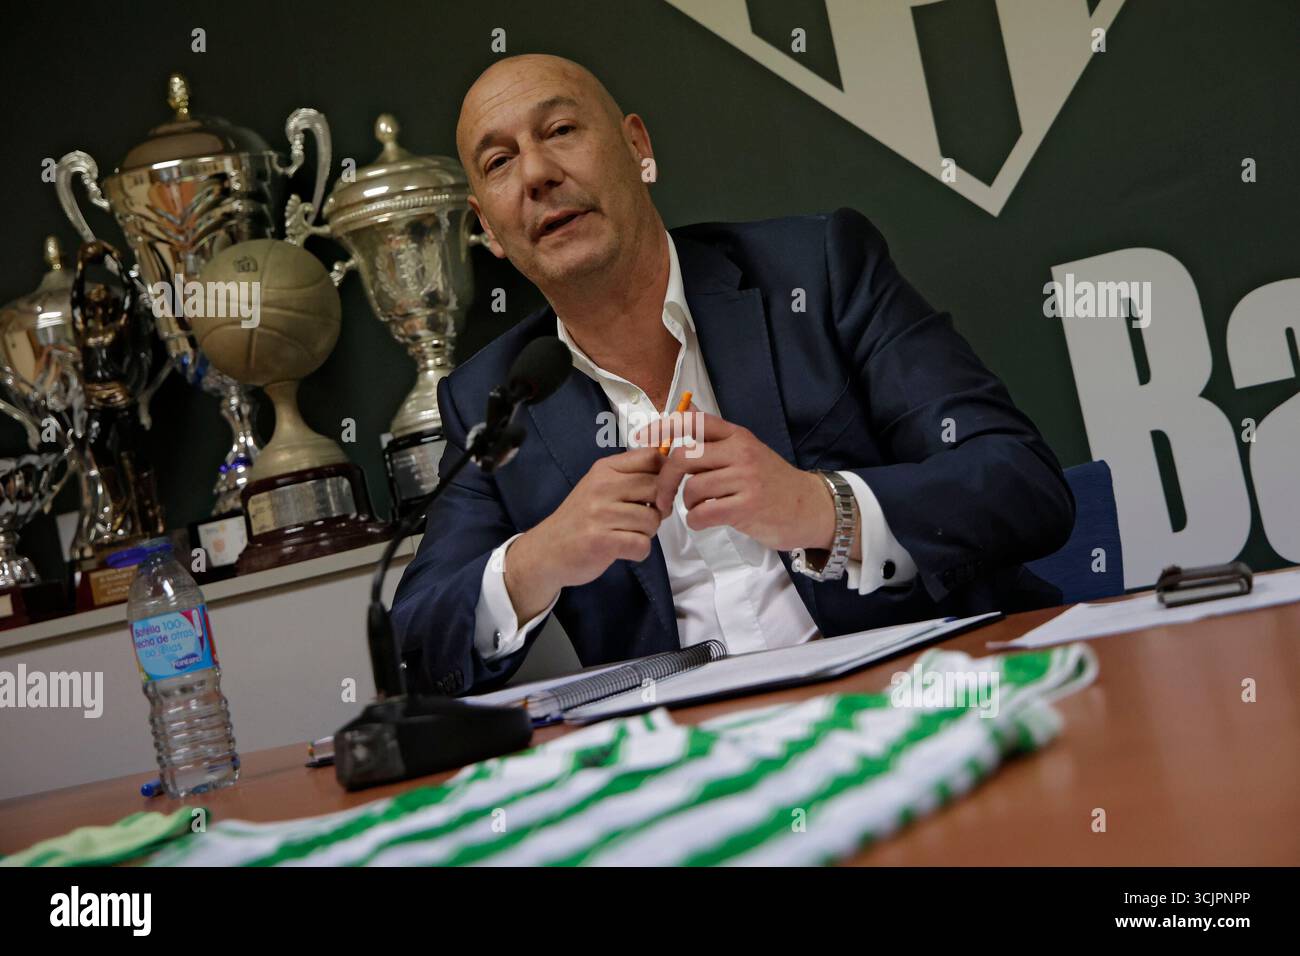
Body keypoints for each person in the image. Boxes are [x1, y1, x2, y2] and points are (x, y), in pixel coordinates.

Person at [391, 54, 1074, 696]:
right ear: (486, 228)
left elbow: (1021, 484)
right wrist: (537, 561)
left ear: (637, 147)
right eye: (500, 161)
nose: (536, 173)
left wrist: (820, 509)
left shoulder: (818, 273)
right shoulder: (493, 398)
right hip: (696, 765)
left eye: (561, 130)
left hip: (919, 697)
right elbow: (416, 651)